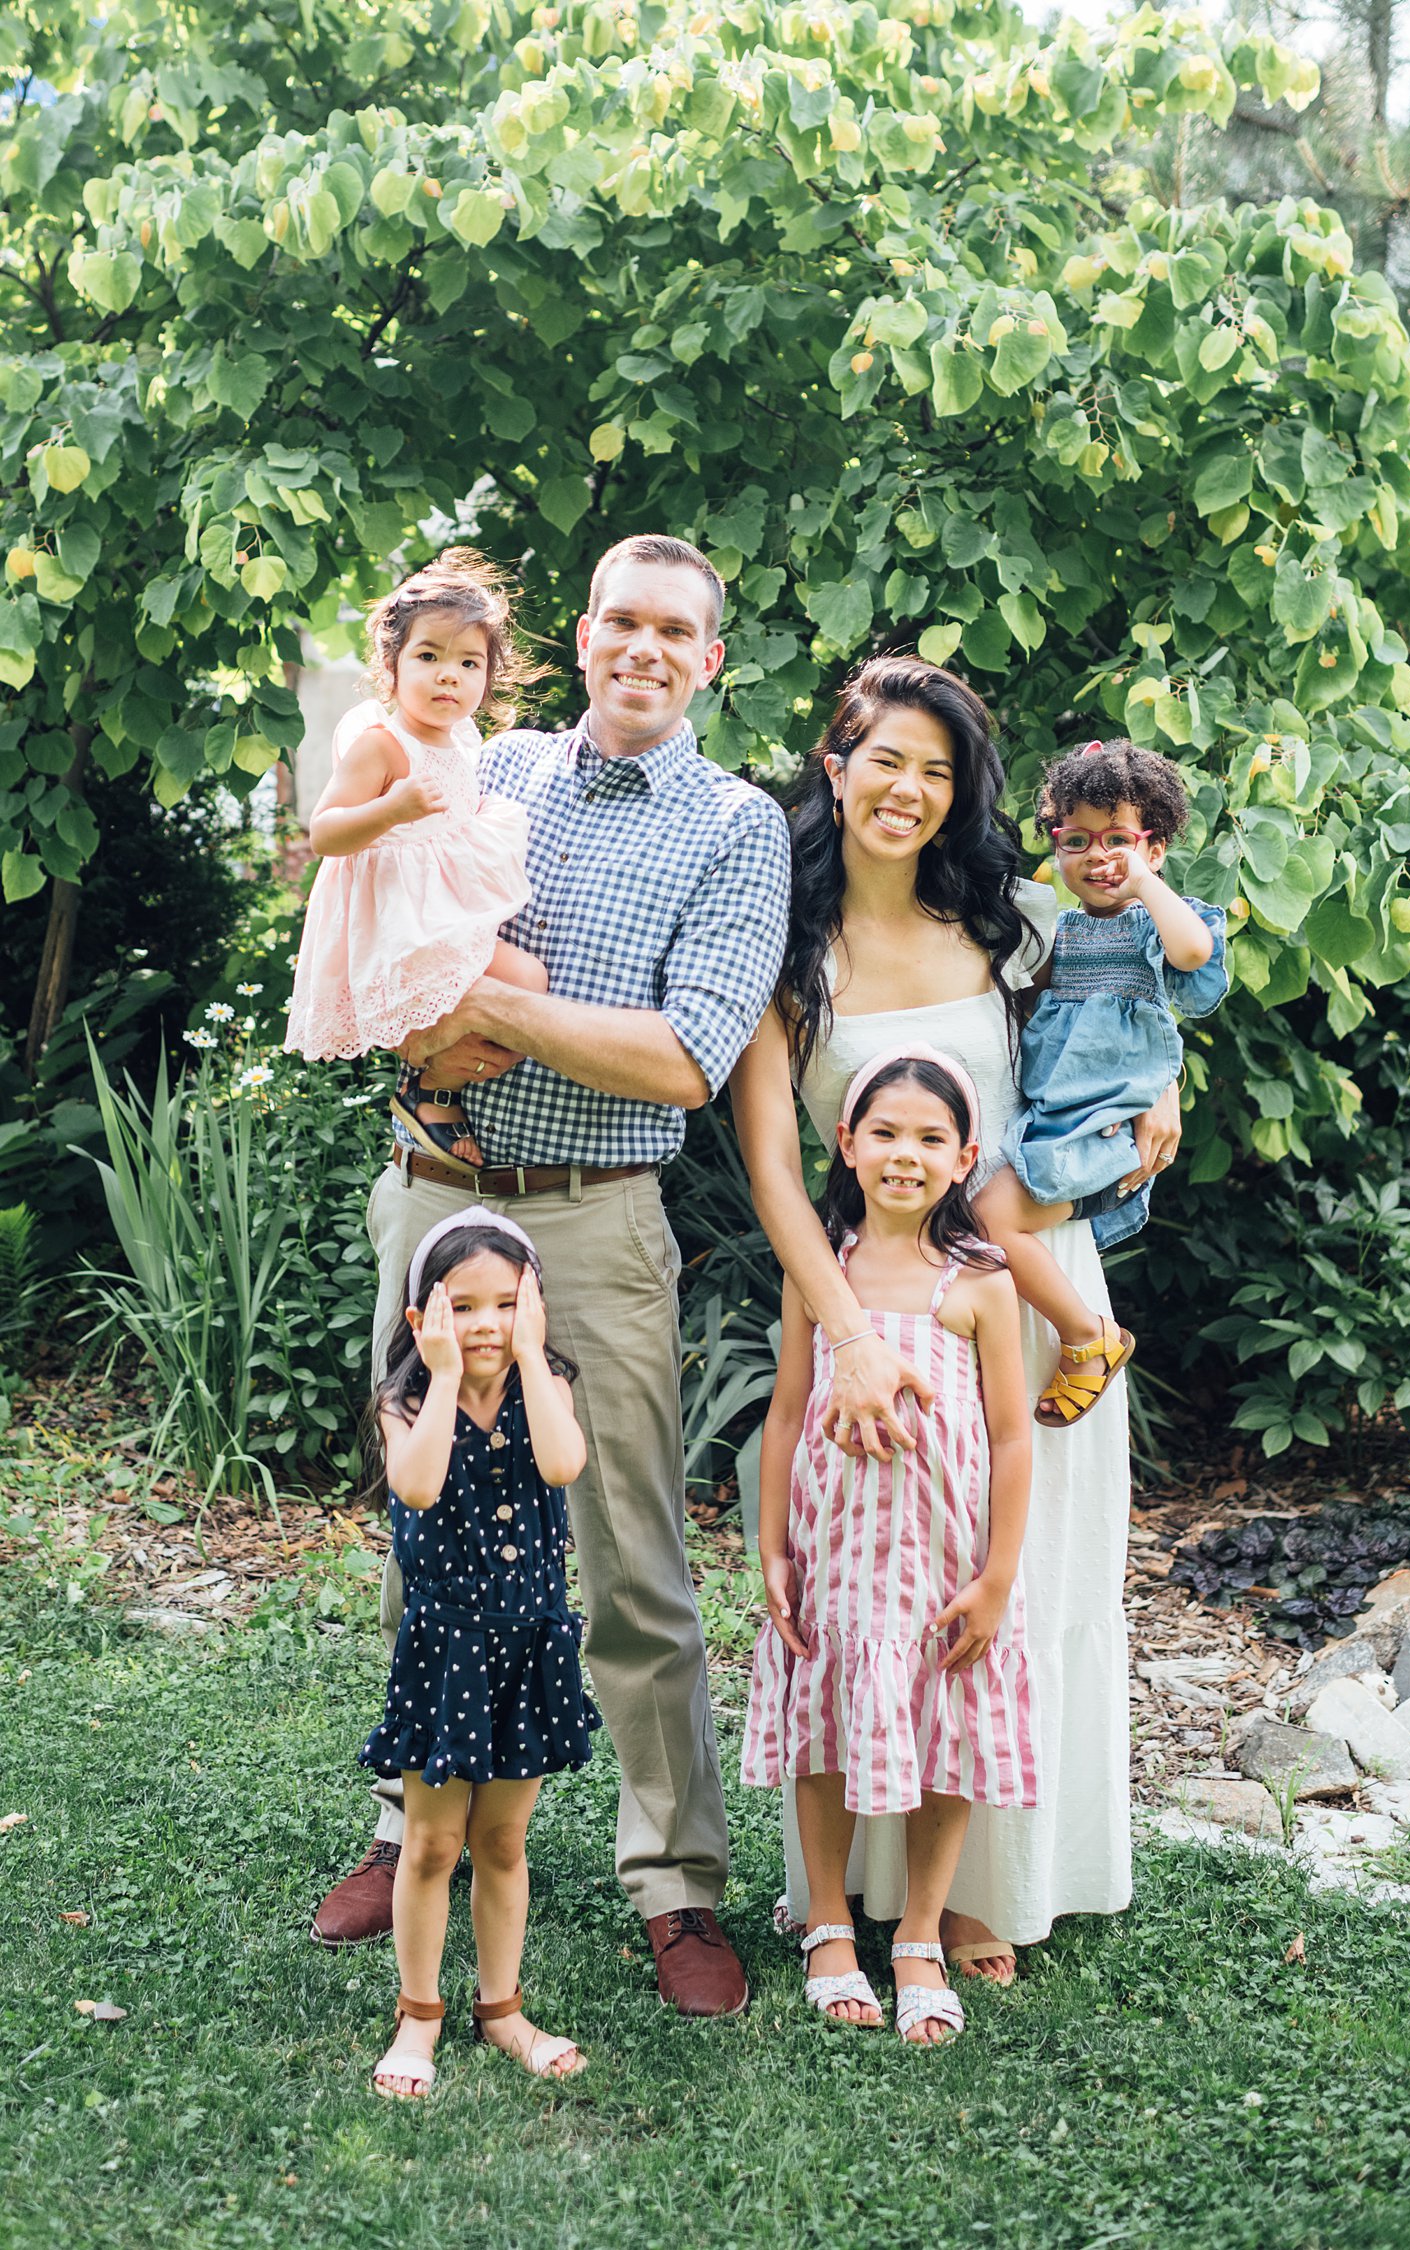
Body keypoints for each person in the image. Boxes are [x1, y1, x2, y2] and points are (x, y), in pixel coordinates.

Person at [312, 534, 791, 2021]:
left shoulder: (736, 823)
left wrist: (492, 1001)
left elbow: (682, 1057)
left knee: (632, 1553)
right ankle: (411, 1822)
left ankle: (676, 1881)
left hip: (594, 1214)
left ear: (710, 659)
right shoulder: (481, 760)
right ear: (582, 638)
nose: (645, 649)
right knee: (428, 1516)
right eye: (621, 622)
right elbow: (368, 940)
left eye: (677, 632)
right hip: (436, 1190)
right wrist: (427, 1019)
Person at [731, 655, 1180, 1980]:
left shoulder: (1004, 925)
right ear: (837, 765)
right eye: (888, 759)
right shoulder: (788, 956)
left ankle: (995, 1886)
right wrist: (849, 1340)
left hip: (1036, 1293)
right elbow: (770, 1168)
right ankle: (864, 1887)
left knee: (1026, 1586)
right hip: (872, 1309)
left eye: (939, 770)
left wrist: (1156, 1104)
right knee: (888, 1595)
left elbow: (1125, 1012)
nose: (910, 789)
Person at [741, 1048, 1036, 2045]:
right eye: (885, 1132)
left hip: (942, 1565)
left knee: (944, 1735)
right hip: (834, 1555)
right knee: (825, 1728)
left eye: (928, 1138)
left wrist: (997, 1578)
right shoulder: (825, 1270)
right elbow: (786, 1412)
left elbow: (1010, 1436)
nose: (903, 1154)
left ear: (965, 1157)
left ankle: (917, 1933)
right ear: (846, 1143)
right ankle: (828, 1920)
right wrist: (772, 1546)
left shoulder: (982, 1282)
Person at [362, 1209, 595, 2096]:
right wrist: (446, 1368)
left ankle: (502, 2009)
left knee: (501, 1841)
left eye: (508, 1303)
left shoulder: (549, 1385)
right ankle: (417, 2016)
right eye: (464, 1306)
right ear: (422, 1316)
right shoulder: (408, 1403)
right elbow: (417, 1486)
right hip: (448, 1650)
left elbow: (564, 1464)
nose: (488, 1324)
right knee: (430, 1843)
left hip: (530, 1645)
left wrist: (534, 1360)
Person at [987, 737, 1227, 1428]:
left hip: (1112, 1122)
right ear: (1056, 847)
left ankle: (1088, 1337)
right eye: (1078, 840)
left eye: (1119, 838)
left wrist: (1147, 884)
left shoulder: (1152, 926)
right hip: (1056, 1115)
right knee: (993, 1217)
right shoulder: (1055, 931)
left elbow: (1193, 953)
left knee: (995, 1219)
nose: (1099, 856)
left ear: (1155, 847)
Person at [285, 548, 547, 1168]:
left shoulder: (463, 738)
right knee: (521, 984)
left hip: (437, 907)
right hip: (396, 919)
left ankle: (434, 1082)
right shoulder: (382, 745)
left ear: (488, 677)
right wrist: (392, 809)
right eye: (428, 657)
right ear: (392, 667)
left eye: (467, 662)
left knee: (527, 985)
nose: (447, 676)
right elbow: (324, 833)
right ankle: (430, 1089)